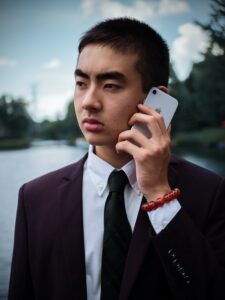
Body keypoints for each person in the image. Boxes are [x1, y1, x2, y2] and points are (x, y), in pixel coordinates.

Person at [8, 18, 225, 300]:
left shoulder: (210, 192)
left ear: (155, 101)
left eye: (110, 85)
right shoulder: (35, 198)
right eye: (81, 83)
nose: (88, 101)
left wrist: (160, 193)